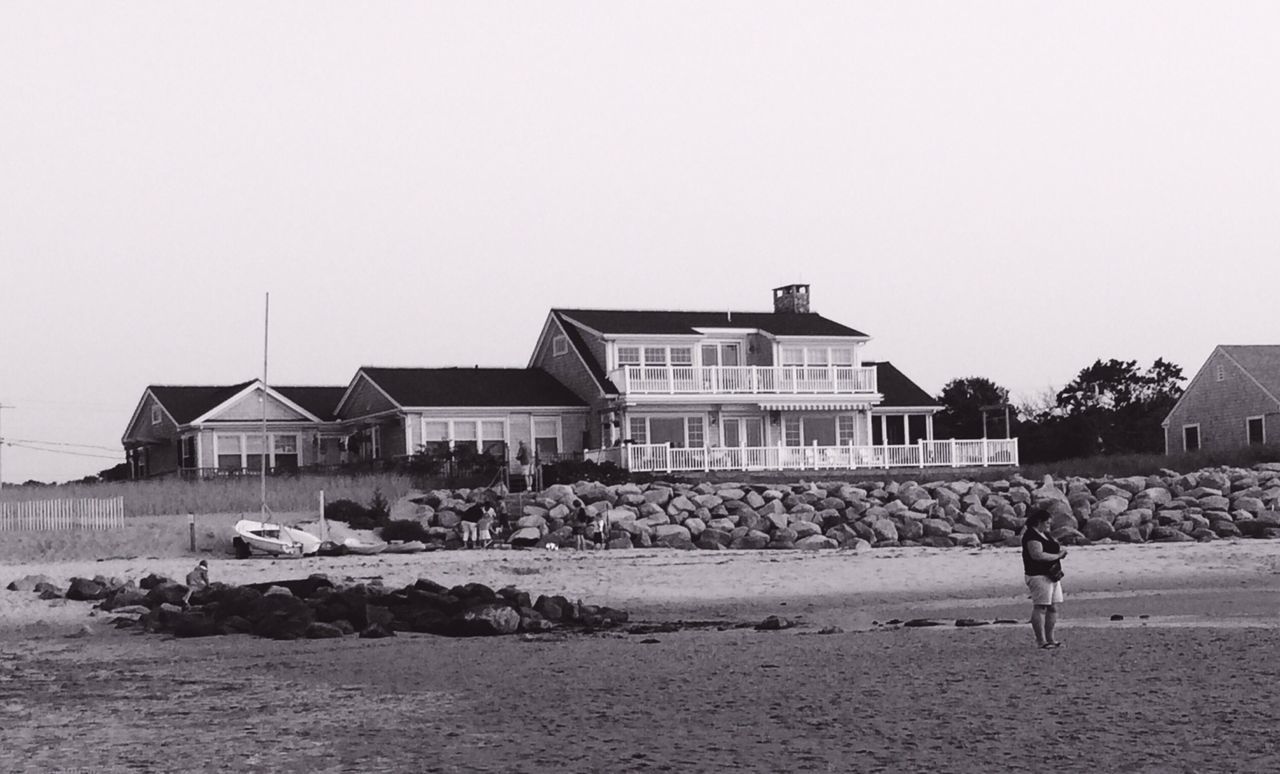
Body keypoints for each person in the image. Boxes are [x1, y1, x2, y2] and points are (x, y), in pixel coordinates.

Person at [1022, 506, 1068, 649]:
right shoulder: (1031, 536)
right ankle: (1041, 640)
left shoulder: (1045, 535)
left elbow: (1053, 546)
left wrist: (1061, 551)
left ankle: (1051, 638)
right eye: (1047, 522)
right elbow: (1037, 555)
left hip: (1052, 574)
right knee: (1041, 607)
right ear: (1039, 522)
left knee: (1053, 607)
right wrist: (1057, 556)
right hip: (1038, 575)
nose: (1049, 525)